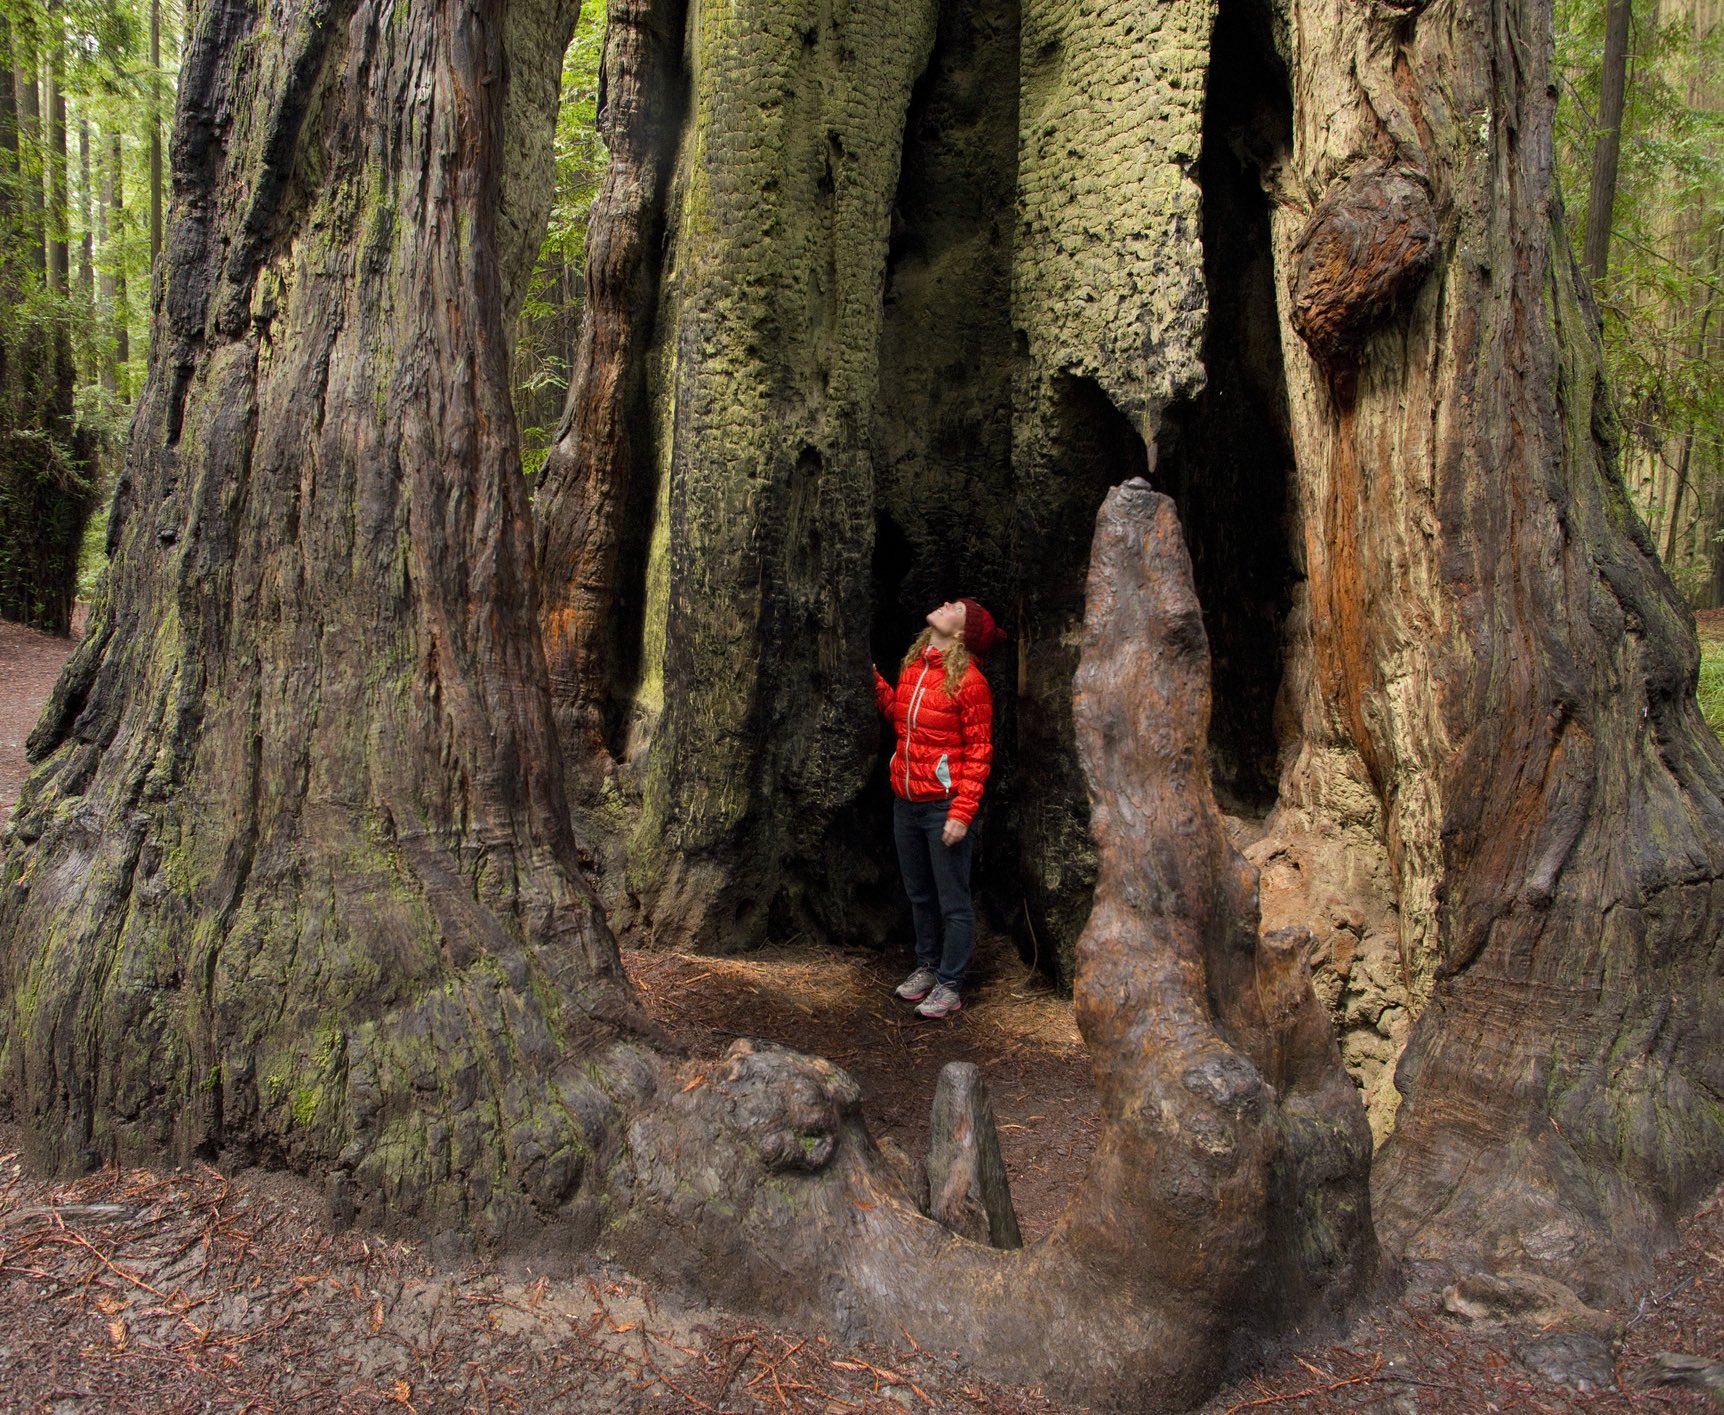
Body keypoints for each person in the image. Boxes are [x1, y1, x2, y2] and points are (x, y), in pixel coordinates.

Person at [872, 596, 1006, 1019]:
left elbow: (980, 751)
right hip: (906, 802)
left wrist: (962, 812)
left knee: (953, 901)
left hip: (941, 808)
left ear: (963, 634)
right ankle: (927, 966)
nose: (947, 604)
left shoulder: (970, 682)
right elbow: (900, 716)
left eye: (957, 609)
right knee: (919, 894)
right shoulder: (915, 667)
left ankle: (950, 984)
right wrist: (874, 682)